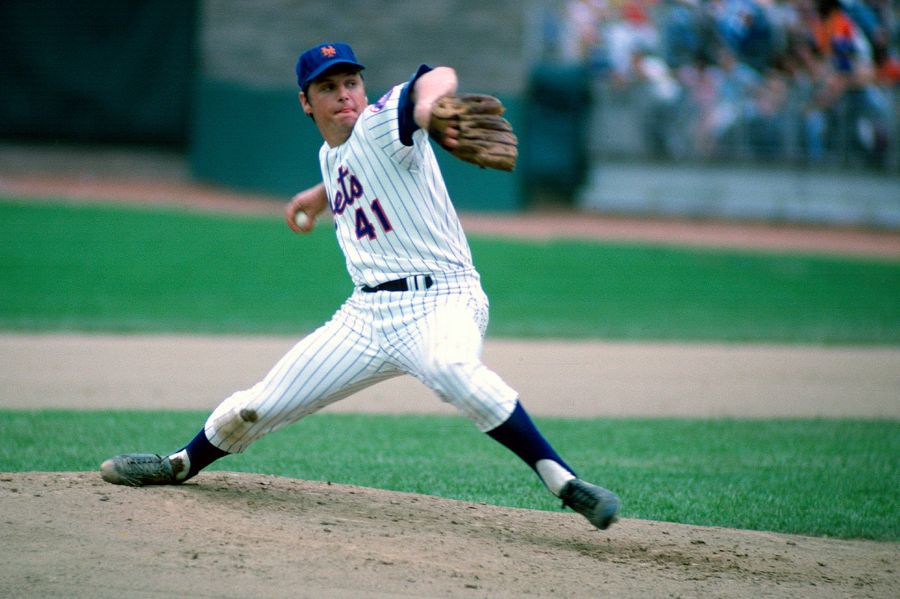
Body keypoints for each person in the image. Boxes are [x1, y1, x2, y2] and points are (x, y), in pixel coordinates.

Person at [99, 42, 620, 531]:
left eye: (351, 82)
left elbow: (436, 76)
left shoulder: (382, 123)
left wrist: (430, 106)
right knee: (257, 405)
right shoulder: (332, 156)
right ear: (306, 103)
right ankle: (180, 463)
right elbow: (351, 167)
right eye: (328, 88)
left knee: (451, 369)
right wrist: (320, 195)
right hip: (365, 318)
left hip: (442, 299)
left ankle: (566, 483)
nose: (344, 94)